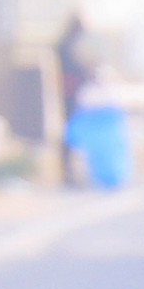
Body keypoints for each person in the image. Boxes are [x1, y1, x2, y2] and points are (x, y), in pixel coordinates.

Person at [52, 11, 97, 188]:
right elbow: (71, 68)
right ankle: (67, 170)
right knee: (68, 131)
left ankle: (71, 170)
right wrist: (86, 72)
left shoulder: (67, 44)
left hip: (71, 91)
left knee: (71, 131)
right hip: (68, 92)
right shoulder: (65, 45)